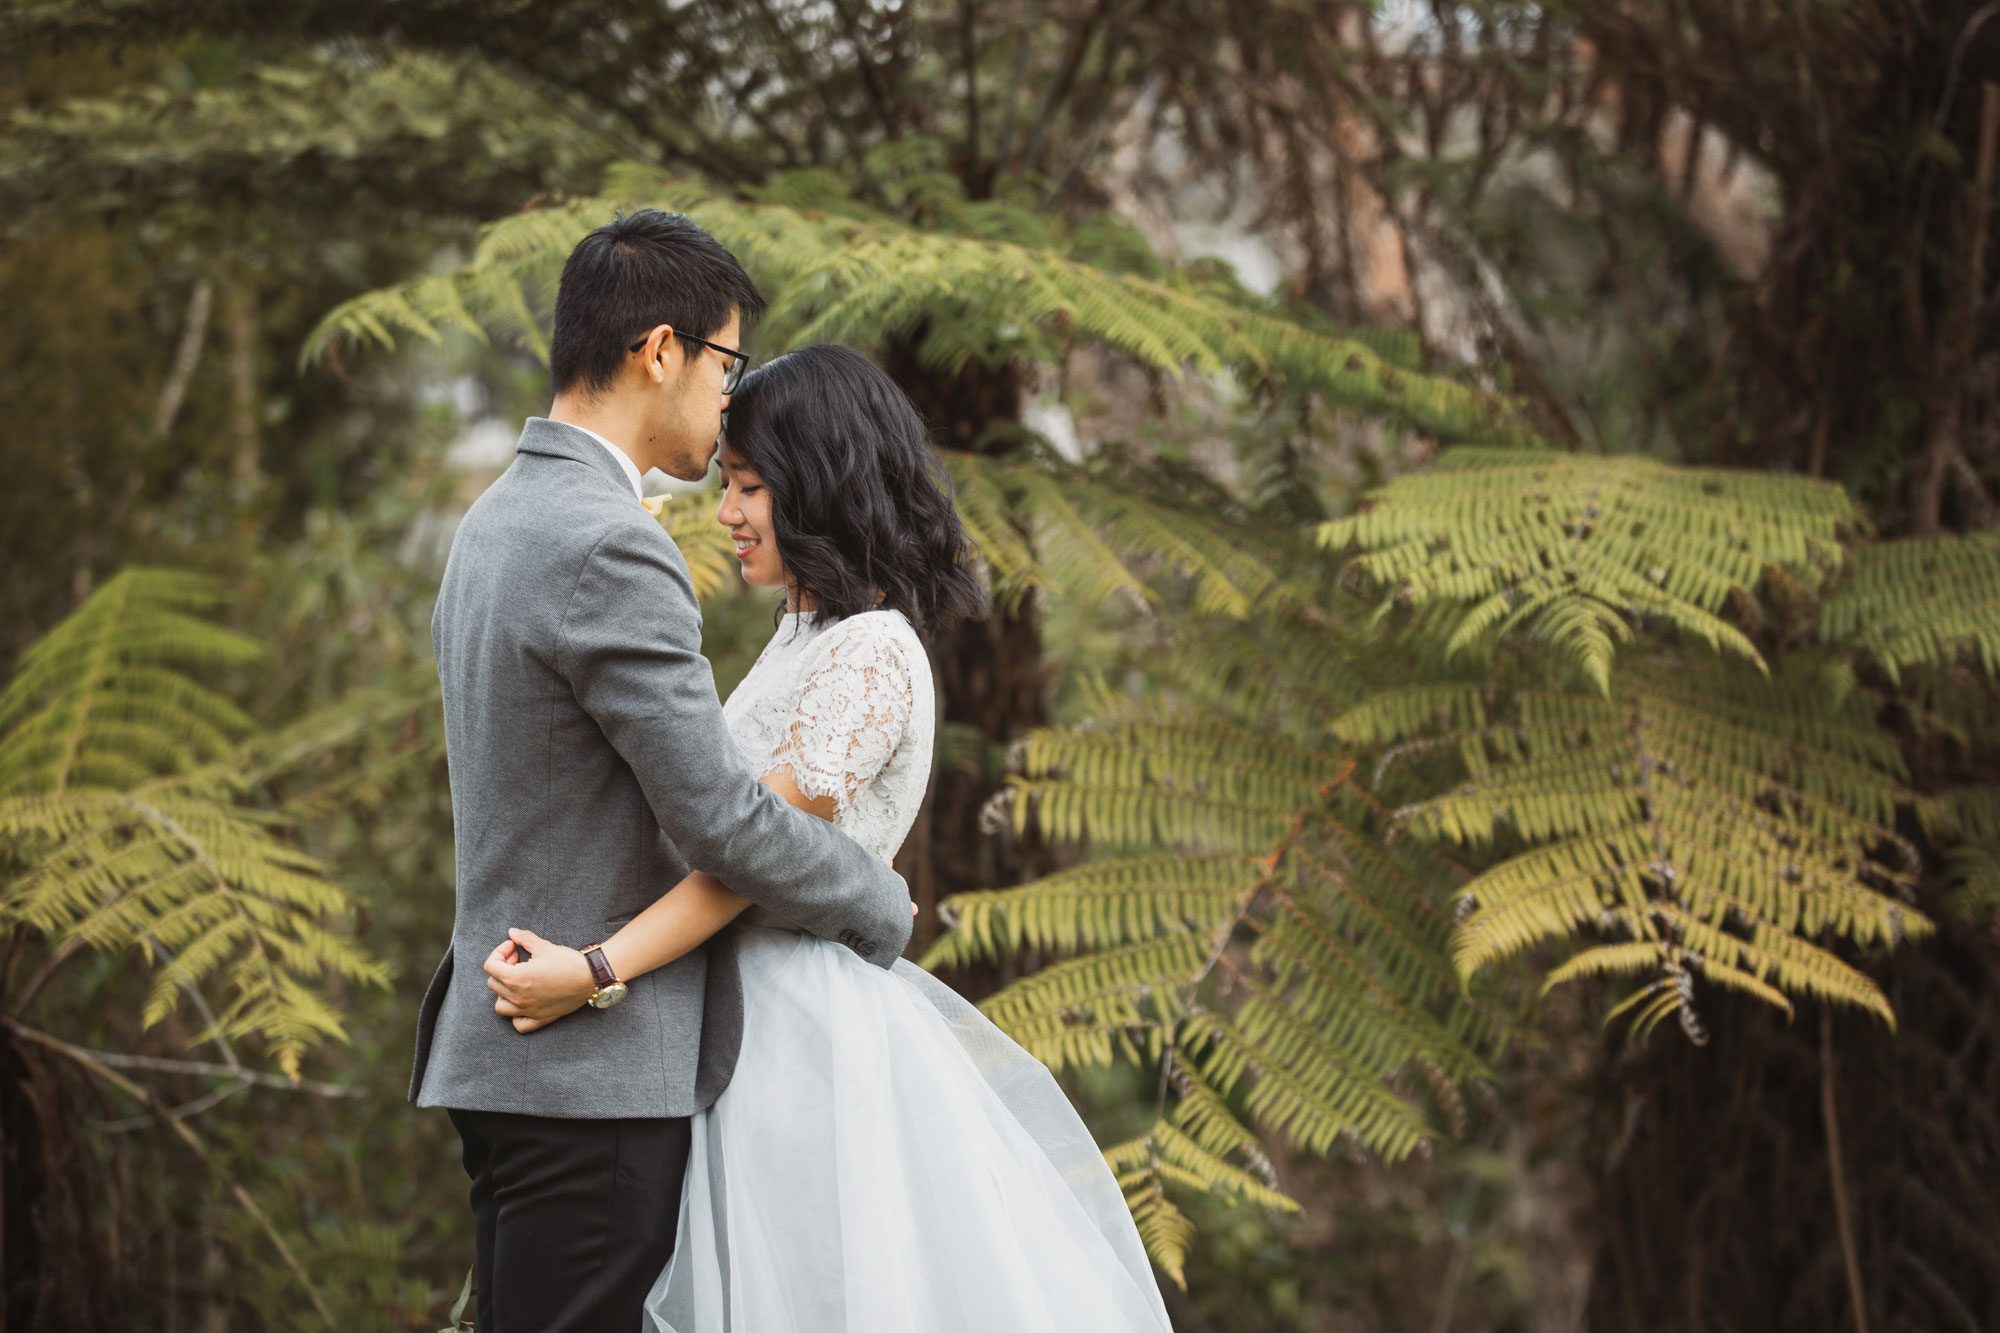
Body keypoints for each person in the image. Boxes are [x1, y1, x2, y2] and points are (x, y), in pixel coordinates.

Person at [483, 343, 1177, 1332]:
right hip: (735, 1017)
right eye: (727, 481)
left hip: (798, 1028)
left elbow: (746, 862)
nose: (727, 511)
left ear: (825, 485)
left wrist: (595, 967)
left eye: (753, 486)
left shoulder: (871, 653)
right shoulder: (800, 636)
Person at [412, 211, 914, 1333]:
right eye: (725, 364)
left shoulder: (493, 522)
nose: (729, 398)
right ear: (659, 351)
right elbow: (726, 823)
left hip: (505, 1055)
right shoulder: (610, 541)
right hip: (590, 1069)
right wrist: (877, 897)